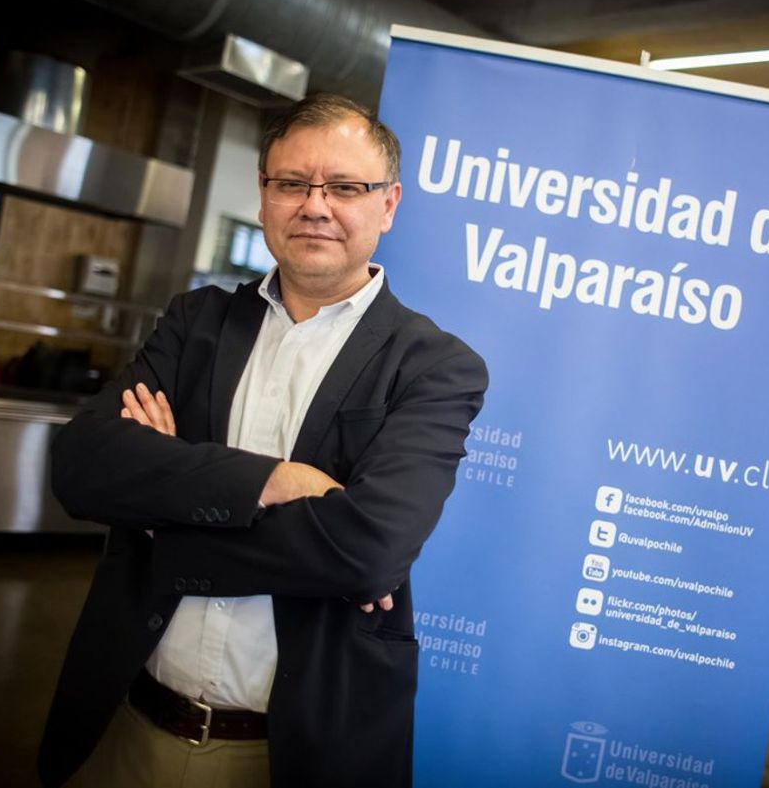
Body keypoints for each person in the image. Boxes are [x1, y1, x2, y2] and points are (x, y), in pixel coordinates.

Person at [38, 93, 488, 788]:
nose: (315, 205)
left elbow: (367, 550)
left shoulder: (433, 365)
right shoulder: (196, 323)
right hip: (125, 723)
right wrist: (279, 480)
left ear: (388, 204)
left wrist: (165, 519)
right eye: (292, 183)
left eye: (344, 186)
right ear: (264, 194)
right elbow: (80, 466)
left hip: (293, 755)